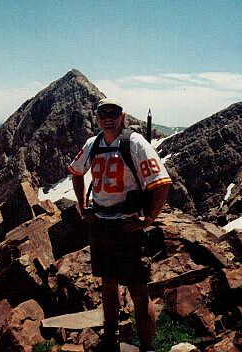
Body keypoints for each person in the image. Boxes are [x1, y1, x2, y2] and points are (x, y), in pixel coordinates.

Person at [68, 98, 172, 352]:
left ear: (122, 116)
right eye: (103, 113)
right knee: (108, 282)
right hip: (101, 224)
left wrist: (148, 219)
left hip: (127, 227)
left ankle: (147, 347)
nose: (108, 117)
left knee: (138, 289)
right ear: (97, 117)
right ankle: (111, 339)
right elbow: (76, 172)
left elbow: (163, 183)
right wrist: (83, 207)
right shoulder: (93, 144)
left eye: (113, 113)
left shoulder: (135, 143)